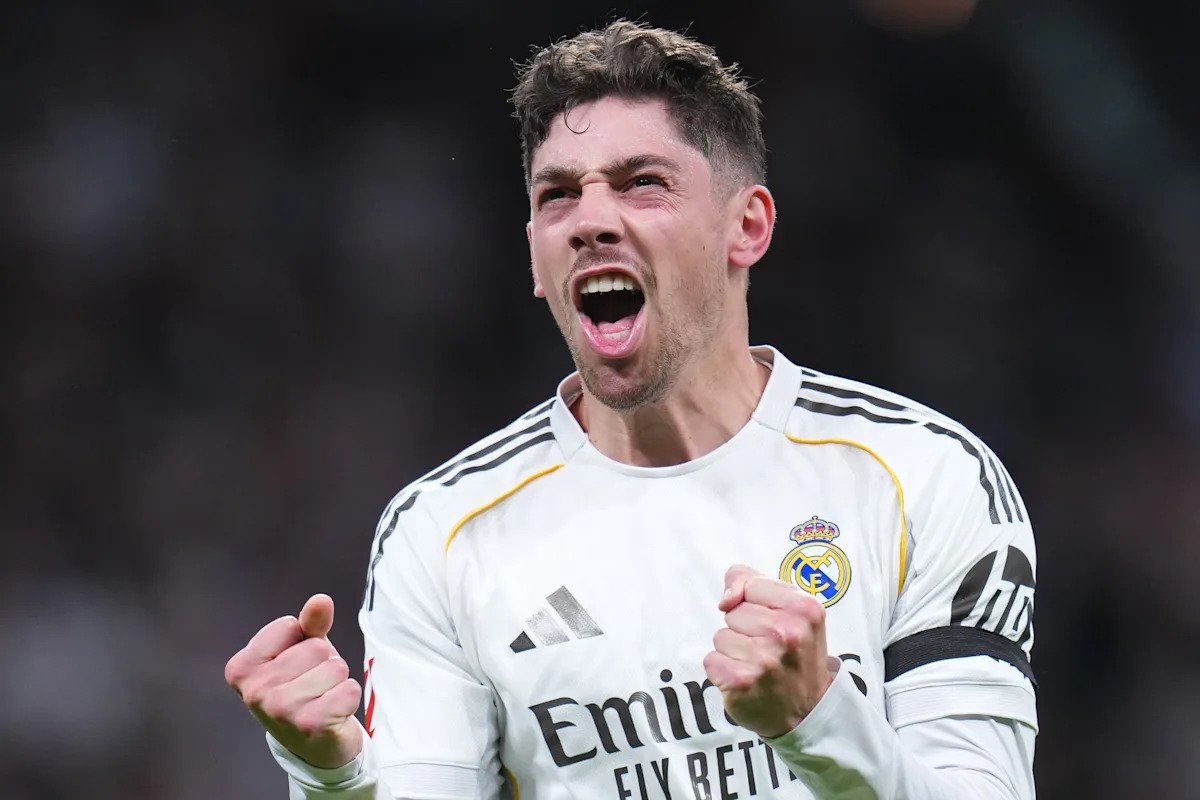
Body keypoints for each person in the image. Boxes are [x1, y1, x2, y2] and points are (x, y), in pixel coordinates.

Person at [224, 21, 1037, 800]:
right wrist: (332, 780)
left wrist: (819, 720)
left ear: (747, 226)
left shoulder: (922, 478)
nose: (590, 221)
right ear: (536, 257)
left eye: (642, 183)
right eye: (558, 196)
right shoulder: (443, 533)